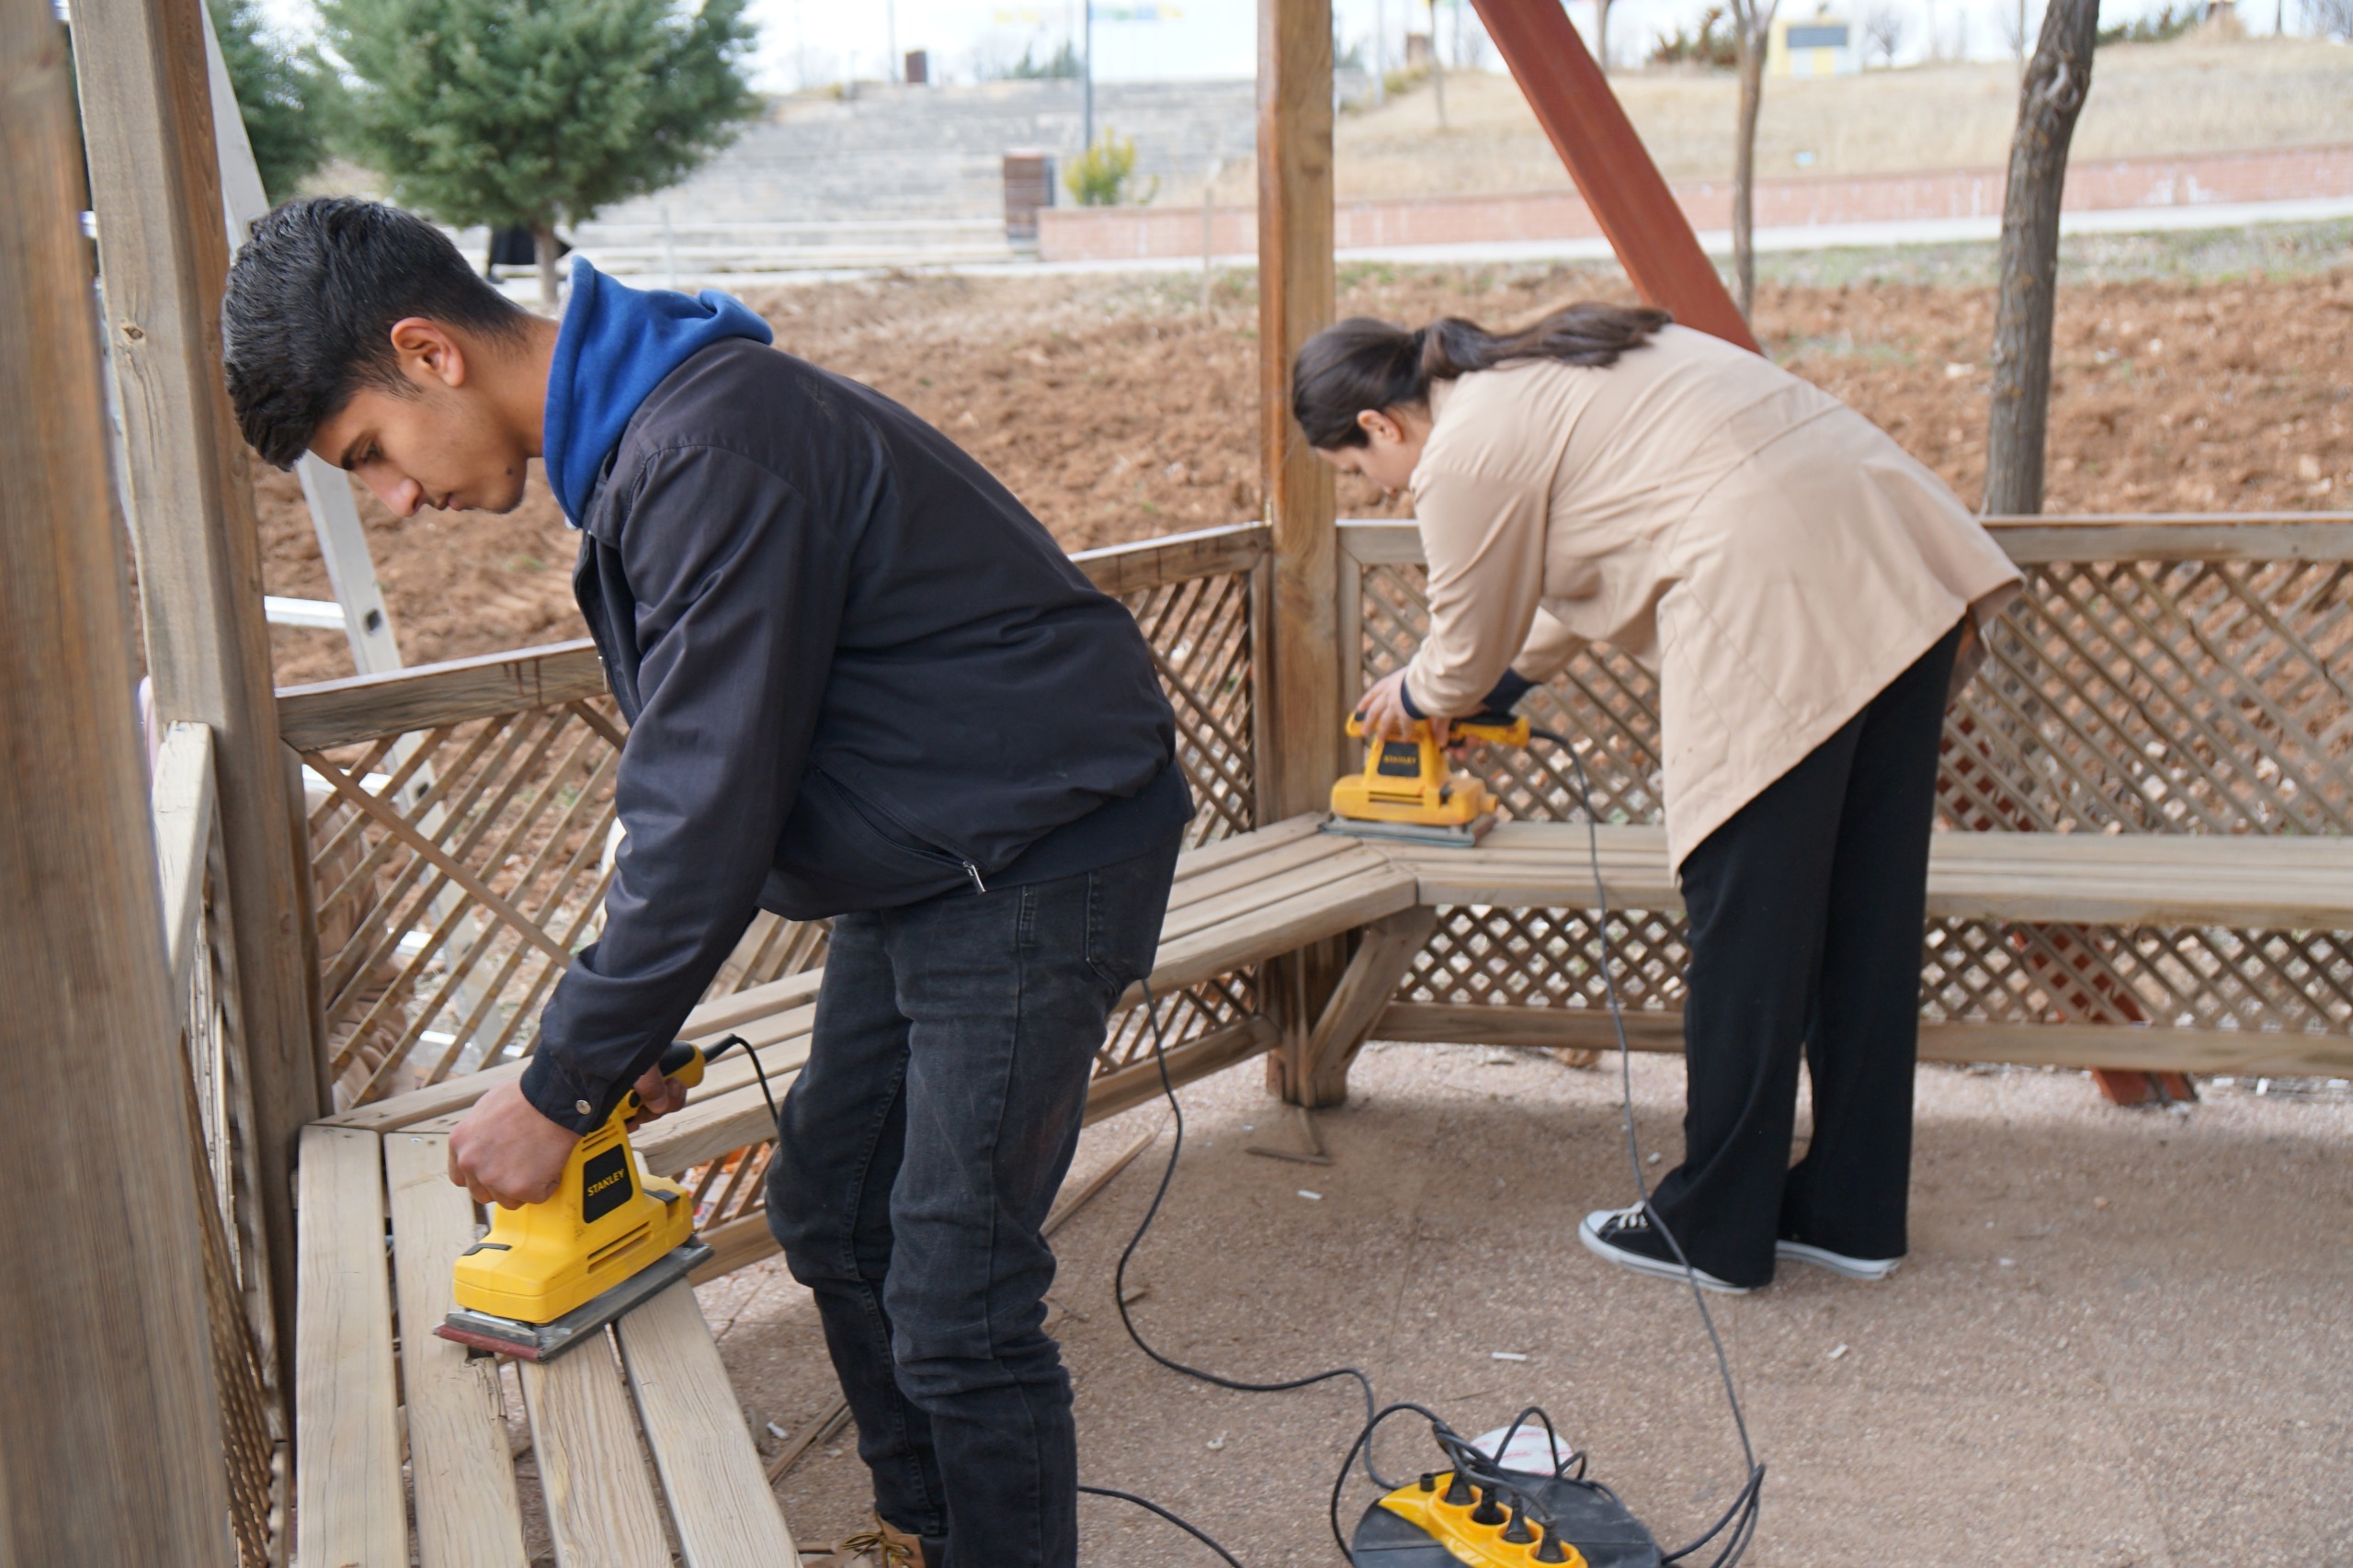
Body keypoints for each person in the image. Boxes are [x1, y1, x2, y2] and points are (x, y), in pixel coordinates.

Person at [223, 198, 1193, 1568]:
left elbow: (708, 808)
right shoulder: (658, 434)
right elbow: (726, 758)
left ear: (430, 351)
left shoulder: (706, 448)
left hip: (1041, 851)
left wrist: (564, 1085)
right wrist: (629, 1035)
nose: (398, 500)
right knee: (832, 1210)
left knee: (959, 1293)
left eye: (370, 454)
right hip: (939, 848)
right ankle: (929, 1530)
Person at [1293, 305, 2020, 1295]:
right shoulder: (1545, 367)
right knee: (1862, 923)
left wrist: (1423, 695)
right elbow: (1556, 577)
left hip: (1781, 607)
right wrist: (1494, 693)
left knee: (1748, 932)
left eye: (1352, 471)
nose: (1371, 491)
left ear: (1379, 427)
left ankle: (1713, 1225)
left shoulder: (1459, 450)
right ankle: (1851, 1209)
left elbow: (1462, 639)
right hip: (1895, 575)